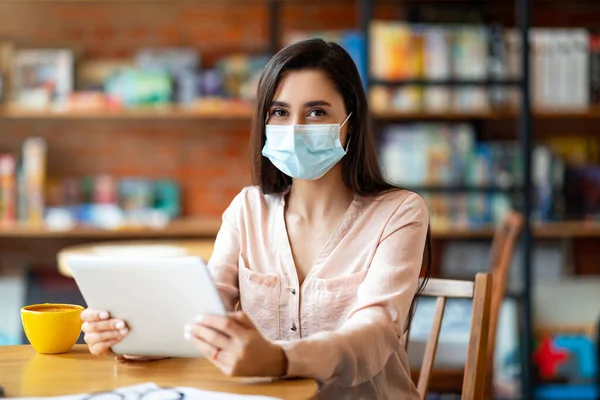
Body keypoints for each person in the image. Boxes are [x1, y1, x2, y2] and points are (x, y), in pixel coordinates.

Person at [80, 38, 432, 399]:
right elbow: (203, 313)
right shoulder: (247, 209)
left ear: (351, 123)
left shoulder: (399, 211)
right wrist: (131, 336)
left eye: (316, 112)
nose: (294, 128)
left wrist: (279, 359)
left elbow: (375, 333)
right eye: (280, 112)